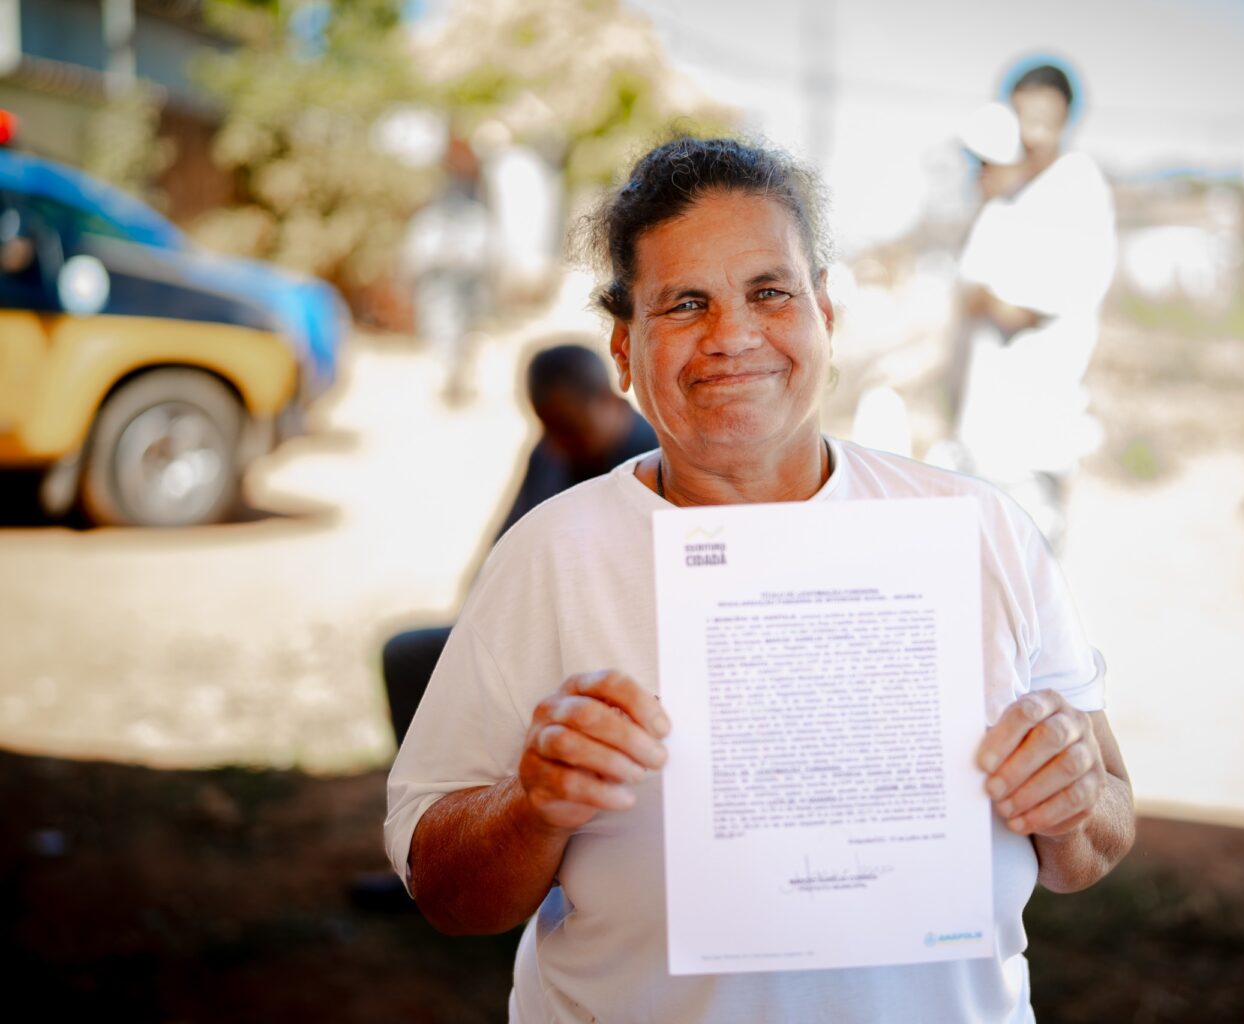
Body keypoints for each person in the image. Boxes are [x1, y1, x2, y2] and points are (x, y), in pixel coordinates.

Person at [385, 136, 1133, 1023]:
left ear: (825, 314)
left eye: (769, 292)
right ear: (624, 351)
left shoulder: (980, 534)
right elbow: (446, 892)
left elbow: (1098, 836)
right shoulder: (553, 557)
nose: (732, 336)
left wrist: (1073, 802)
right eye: (684, 303)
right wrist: (533, 807)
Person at [381, 342, 658, 747]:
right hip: (522, 626)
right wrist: (477, 624)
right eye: (545, 427)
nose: (556, 443)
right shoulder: (550, 452)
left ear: (607, 399)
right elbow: (504, 544)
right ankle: (433, 790)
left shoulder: (650, 463)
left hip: (586, 644)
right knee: (405, 656)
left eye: (567, 428)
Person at [953, 61, 1117, 547]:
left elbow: (1023, 306)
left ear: (1068, 117)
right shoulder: (1013, 194)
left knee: (1026, 595)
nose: (1035, 129)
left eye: (1047, 115)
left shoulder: (1074, 188)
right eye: (1026, 114)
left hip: (1033, 436)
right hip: (989, 437)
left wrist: (981, 298)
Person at [401, 138, 497, 402]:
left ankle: (461, 383)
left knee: (467, 336)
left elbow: (483, 253)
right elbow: (418, 254)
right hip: (438, 288)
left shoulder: (475, 215)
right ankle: (443, 384)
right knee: (439, 333)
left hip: (466, 287)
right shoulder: (432, 217)